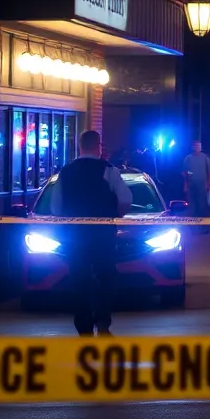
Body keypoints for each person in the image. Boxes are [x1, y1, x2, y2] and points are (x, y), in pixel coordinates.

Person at [52, 130, 132, 336]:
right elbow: (125, 200)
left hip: (75, 236)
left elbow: (55, 208)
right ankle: (103, 323)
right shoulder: (108, 170)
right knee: (106, 277)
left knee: (79, 280)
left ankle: (84, 328)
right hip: (102, 236)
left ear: (80, 146)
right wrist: (113, 216)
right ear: (99, 146)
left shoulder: (66, 172)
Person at [182, 141, 210, 234]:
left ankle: (204, 227)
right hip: (191, 186)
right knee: (193, 207)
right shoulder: (188, 158)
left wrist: (209, 184)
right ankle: (194, 228)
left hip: (202, 186)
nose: (197, 148)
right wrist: (186, 185)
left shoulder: (205, 158)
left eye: (199, 146)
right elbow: (184, 172)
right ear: (193, 147)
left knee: (202, 206)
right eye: (196, 146)